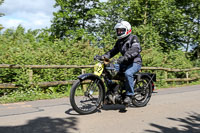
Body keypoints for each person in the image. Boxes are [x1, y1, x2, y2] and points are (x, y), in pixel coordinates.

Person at [96, 21, 142, 104]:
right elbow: (113, 51)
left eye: (121, 30)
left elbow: (136, 49)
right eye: (118, 30)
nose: (119, 32)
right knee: (108, 68)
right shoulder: (119, 42)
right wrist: (103, 57)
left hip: (135, 62)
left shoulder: (133, 38)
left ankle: (129, 95)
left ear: (127, 30)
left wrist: (125, 57)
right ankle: (113, 88)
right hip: (124, 63)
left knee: (128, 73)